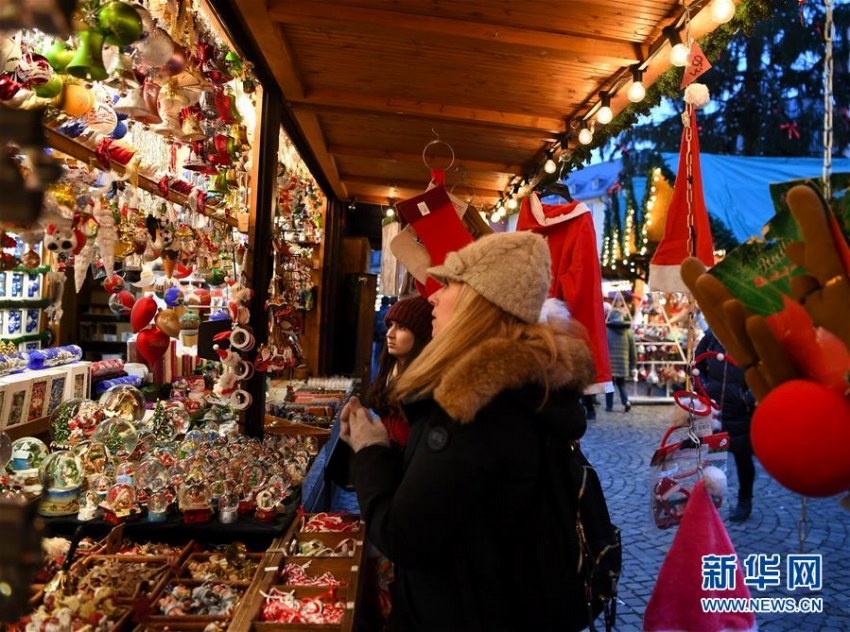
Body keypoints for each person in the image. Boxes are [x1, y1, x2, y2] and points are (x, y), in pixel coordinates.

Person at [341, 231, 596, 631]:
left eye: (450, 284)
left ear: (481, 303)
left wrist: (370, 449)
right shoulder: (521, 392)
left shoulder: (474, 407)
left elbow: (404, 535)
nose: (433, 297)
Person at [695, 328, 756, 523]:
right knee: (712, 459)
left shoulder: (749, 338)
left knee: (743, 459)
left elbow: (761, 372)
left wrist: (745, 398)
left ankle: (744, 501)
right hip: (714, 412)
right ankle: (712, 498)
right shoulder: (713, 335)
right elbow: (697, 362)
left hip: (740, 413)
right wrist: (704, 389)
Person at [366, 294, 433, 447]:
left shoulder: (423, 388)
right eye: (390, 325)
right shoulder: (390, 372)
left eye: (401, 327)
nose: (389, 334)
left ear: (420, 335)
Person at [605, 308, 635, 412]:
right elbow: (633, 350)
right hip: (623, 364)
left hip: (610, 364)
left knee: (609, 385)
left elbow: (603, 348)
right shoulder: (628, 332)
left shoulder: (606, 331)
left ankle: (609, 406)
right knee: (621, 383)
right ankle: (626, 401)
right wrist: (633, 366)